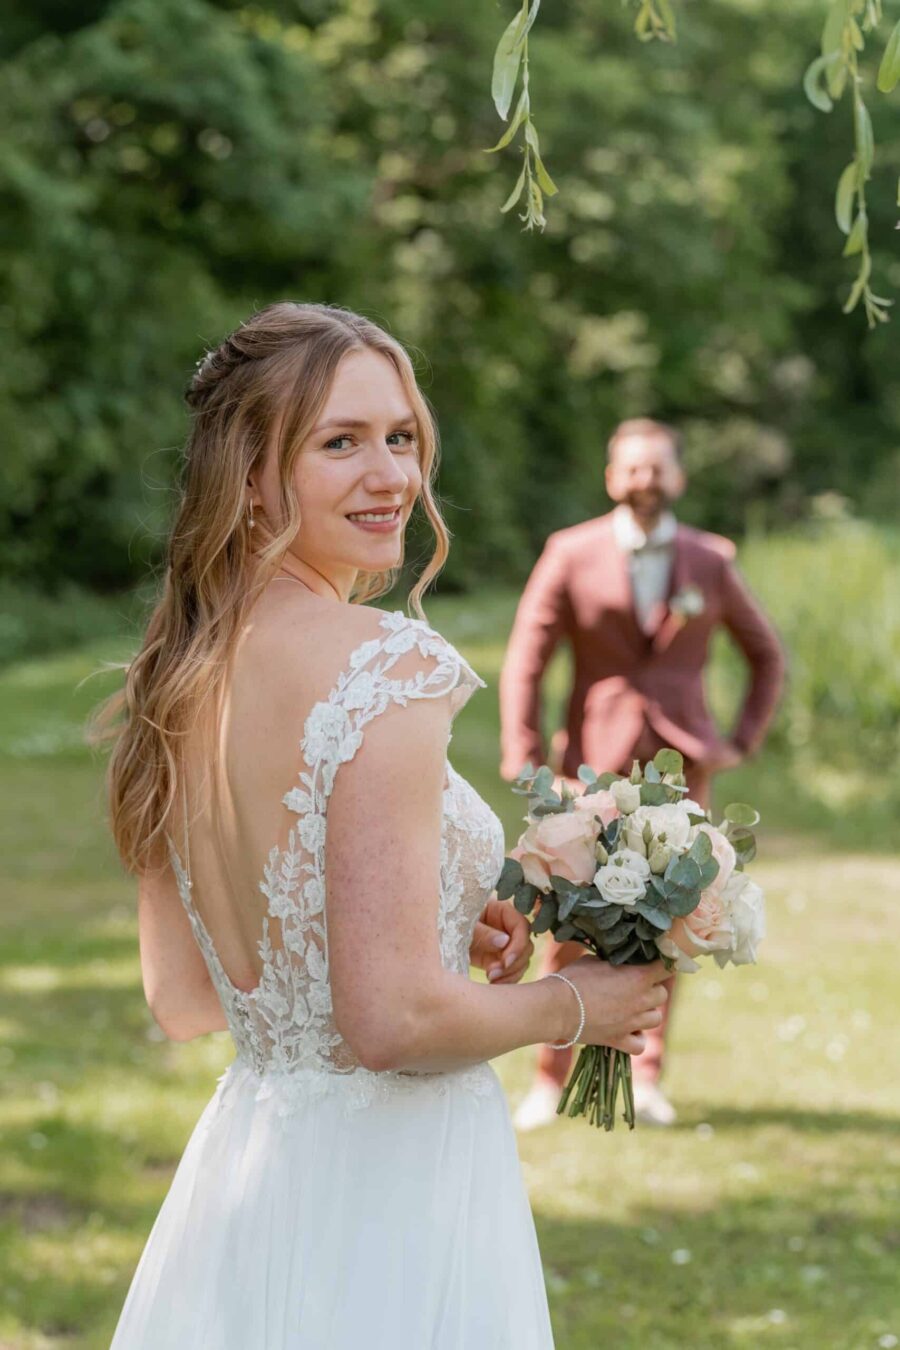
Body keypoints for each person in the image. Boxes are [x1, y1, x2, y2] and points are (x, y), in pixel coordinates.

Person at [99, 304, 670, 1348]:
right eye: (340, 442)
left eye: (400, 436)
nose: (391, 476)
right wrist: (570, 1006)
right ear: (254, 474)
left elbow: (185, 1000)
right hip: (393, 1186)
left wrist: (437, 936)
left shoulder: (179, 675)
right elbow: (391, 1027)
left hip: (255, 1172)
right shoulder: (385, 665)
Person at [500, 417, 785, 1131]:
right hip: (589, 768)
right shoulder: (570, 553)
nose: (645, 482)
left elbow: (766, 655)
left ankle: (649, 1074)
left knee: (677, 920)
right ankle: (548, 1075)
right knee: (569, 917)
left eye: (657, 469)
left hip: (685, 767)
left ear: (678, 478)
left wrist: (738, 740)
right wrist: (526, 755)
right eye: (632, 469)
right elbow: (526, 658)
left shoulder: (710, 560)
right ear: (611, 477)